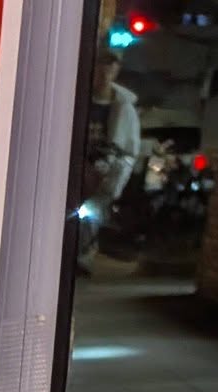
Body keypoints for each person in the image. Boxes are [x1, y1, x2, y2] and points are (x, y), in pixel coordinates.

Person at [79, 51, 140, 270]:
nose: (104, 75)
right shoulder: (79, 100)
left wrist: (116, 171)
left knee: (92, 216)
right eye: (100, 69)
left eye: (110, 69)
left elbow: (130, 149)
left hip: (104, 172)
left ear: (116, 72)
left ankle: (83, 257)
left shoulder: (124, 109)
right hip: (77, 169)